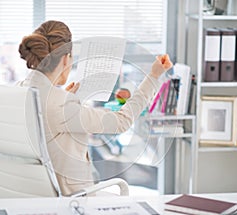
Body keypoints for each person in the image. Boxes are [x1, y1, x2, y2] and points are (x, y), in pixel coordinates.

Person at [17, 20, 173, 196]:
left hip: (29, 196)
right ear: (65, 58)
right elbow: (121, 122)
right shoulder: (61, 104)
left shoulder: (18, 90)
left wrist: (68, 99)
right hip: (72, 200)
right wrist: (153, 76)